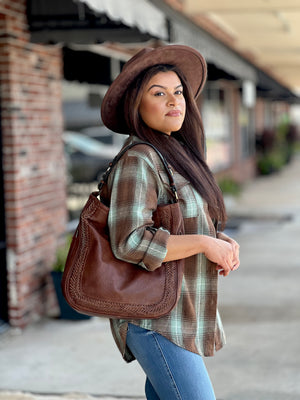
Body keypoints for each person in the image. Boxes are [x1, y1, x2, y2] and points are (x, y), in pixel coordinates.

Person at [100, 45, 240, 400]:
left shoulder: (174, 156)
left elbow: (178, 223)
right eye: (158, 93)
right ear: (137, 103)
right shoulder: (140, 159)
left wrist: (218, 239)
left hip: (181, 311)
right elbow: (129, 240)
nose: (173, 101)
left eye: (177, 92)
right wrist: (205, 244)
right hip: (155, 318)